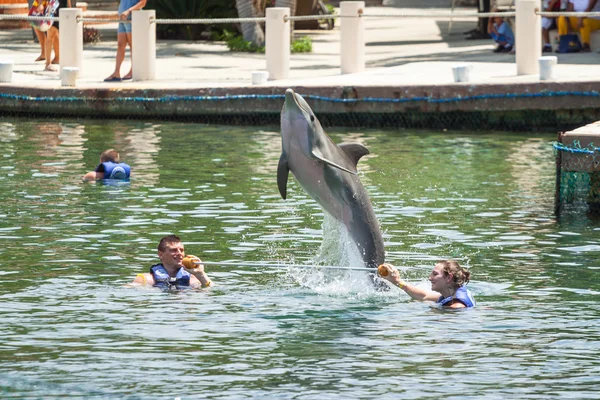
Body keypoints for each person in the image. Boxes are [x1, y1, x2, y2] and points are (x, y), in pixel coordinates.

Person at [378, 260, 475, 309]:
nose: (430, 278)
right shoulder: (451, 293)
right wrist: (396, 281)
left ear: (449, 277)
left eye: (435, 274)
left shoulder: (457, 307)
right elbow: (423, 296)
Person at [130, 235, 212, 289]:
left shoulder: (194, 279)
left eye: (182, 250)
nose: (180, 253)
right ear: (161, 254)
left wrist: (201, 274)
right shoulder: (145, 279)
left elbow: (211, 292)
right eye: (174, 250)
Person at [104, 0, 147, 82]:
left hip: (131, 18)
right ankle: (116, 72)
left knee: (132, 45)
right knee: (120, 45)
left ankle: (132, 71)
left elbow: (143, 3)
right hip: (122, 19)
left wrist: (129, 11)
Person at [44, 0, 71, 72]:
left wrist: (70, 7)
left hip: (62, 6)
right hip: (53, 6)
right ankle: (48, 64)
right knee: (51, 34)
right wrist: (40, 4)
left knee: (58, 33)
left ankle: (57, 58)